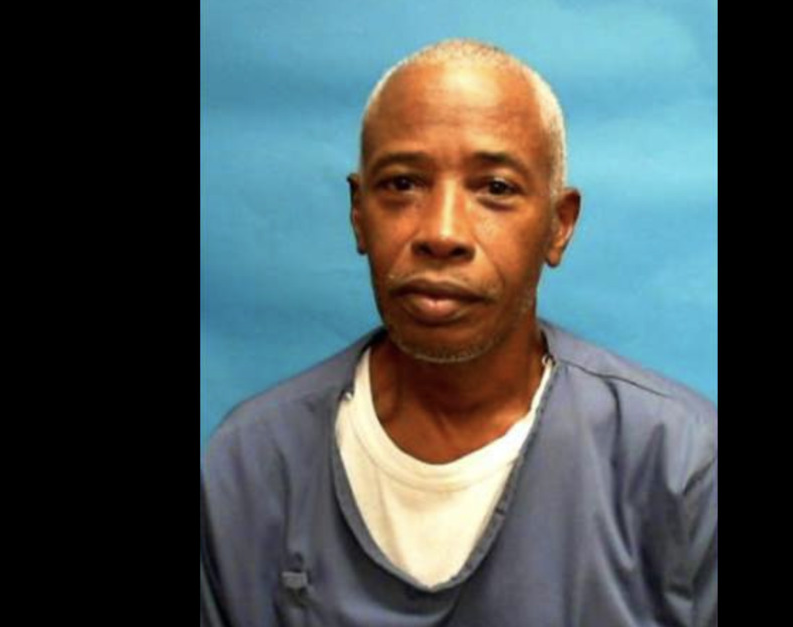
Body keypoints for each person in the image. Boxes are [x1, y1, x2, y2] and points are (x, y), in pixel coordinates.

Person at [201, 39, 717, 627]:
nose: (442, 233)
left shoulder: (682, 465)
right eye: (402, 184)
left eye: (495, 188)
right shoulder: (250, 466)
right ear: (358, 213)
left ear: (559, 225)